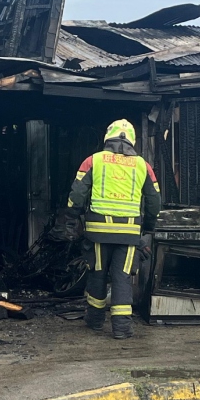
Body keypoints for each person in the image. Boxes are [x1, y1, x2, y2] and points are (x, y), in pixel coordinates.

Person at [66, 119, 162, 339]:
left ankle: (95, 321)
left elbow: (77, 195)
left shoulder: (93, 160)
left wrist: (71, 219)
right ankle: (122, 328)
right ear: (132, 141)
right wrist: (148, 228)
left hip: (98, 231)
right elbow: (154, 201)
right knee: (122, 277)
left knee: (98, 274)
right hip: (128, 234)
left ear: (107, 137)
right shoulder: (143, 166)